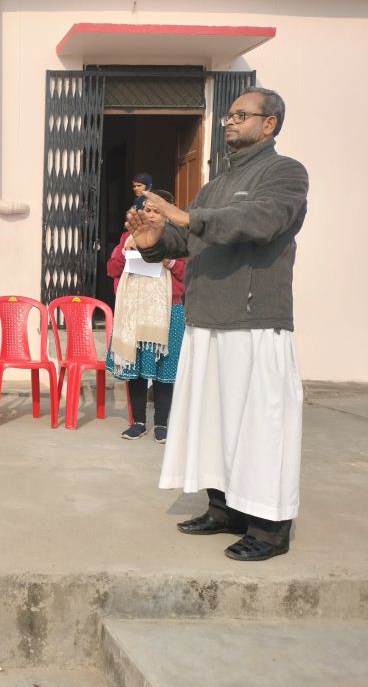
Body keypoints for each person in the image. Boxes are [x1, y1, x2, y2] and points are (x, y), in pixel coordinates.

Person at [127, 86, 308, 562]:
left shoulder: (285, 173)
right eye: (228, 115)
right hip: (206, 320)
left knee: (260, 427)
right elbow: (188, 240)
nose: (229, 121)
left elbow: (259, 220)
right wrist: (154, 238)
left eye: (241, 115)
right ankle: (224, 508)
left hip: (254, 321)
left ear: (269, 124)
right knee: (213, 423)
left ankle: (269, 529)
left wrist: (187, 216)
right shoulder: (214, 185)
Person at [106, 191, 186, 443]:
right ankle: (138, 423)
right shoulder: (128, 236)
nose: (151, 215)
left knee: (165, 368)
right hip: (134, 311)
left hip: (169, 311)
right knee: (136, 368)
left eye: (157, 211)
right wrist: (124, 251)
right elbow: (112, 269)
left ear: (167, 214)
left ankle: (162, 424)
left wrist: (169, 262)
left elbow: (189, 276)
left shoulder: (178, 239)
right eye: (147, 210)